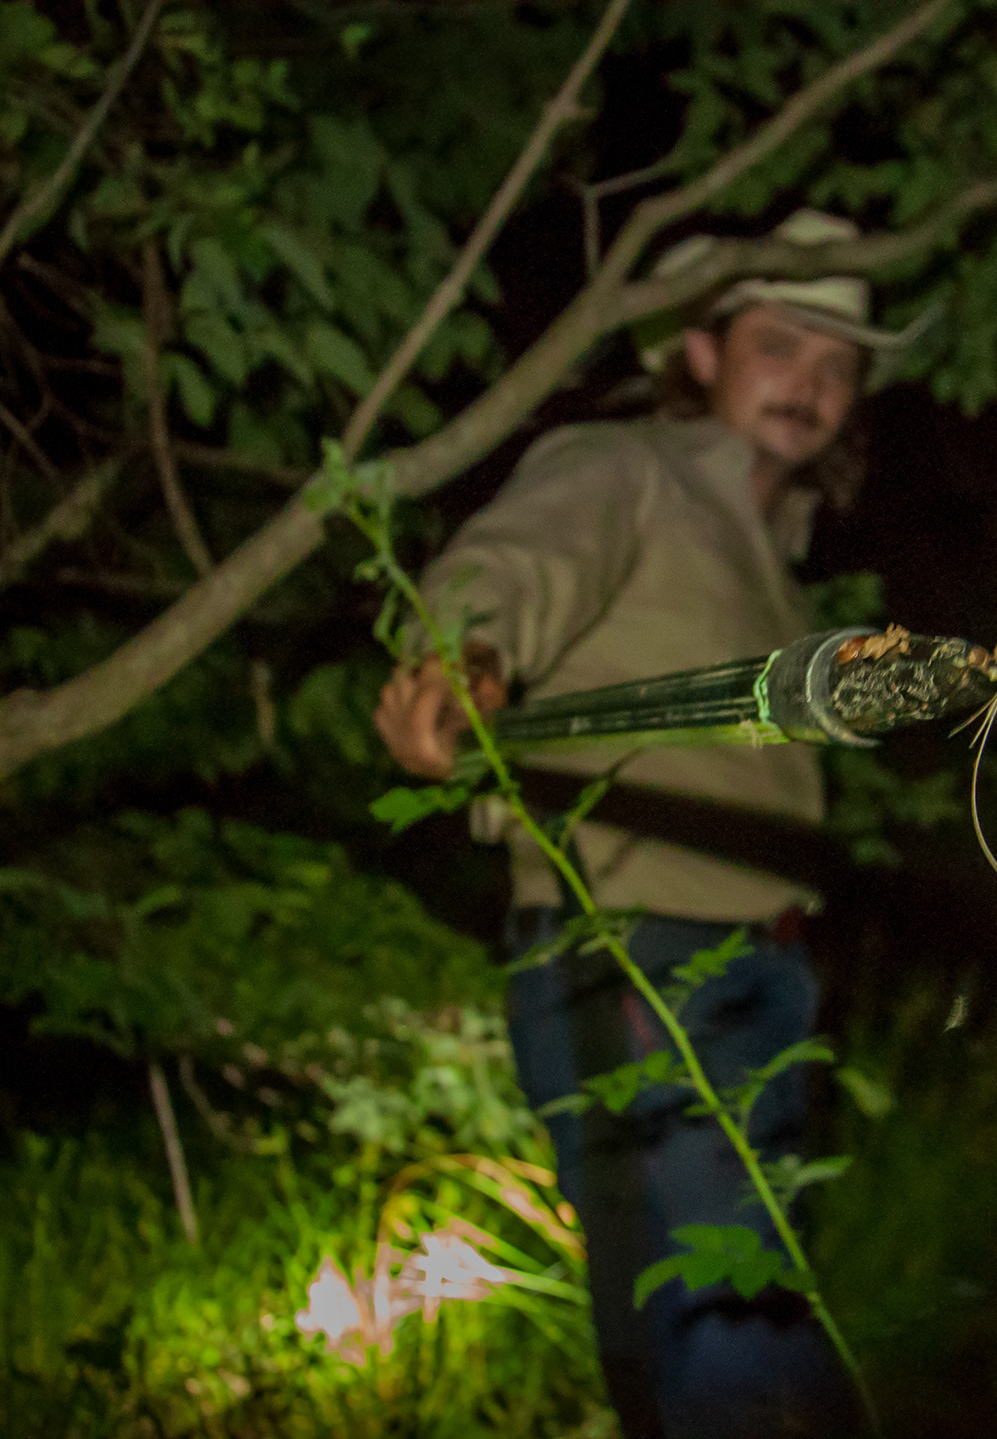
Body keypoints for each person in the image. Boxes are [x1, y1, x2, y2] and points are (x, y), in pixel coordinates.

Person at [373, 210, 913, 1439]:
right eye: (782, 346)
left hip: (763, 959)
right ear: (705, 351)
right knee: (731, 1317)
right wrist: (459, 664)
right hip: (633, 944)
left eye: (839, 365)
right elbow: (509, 566)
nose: (812, 385)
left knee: (701, 1313)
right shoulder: (628, 468)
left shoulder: (774, 554)